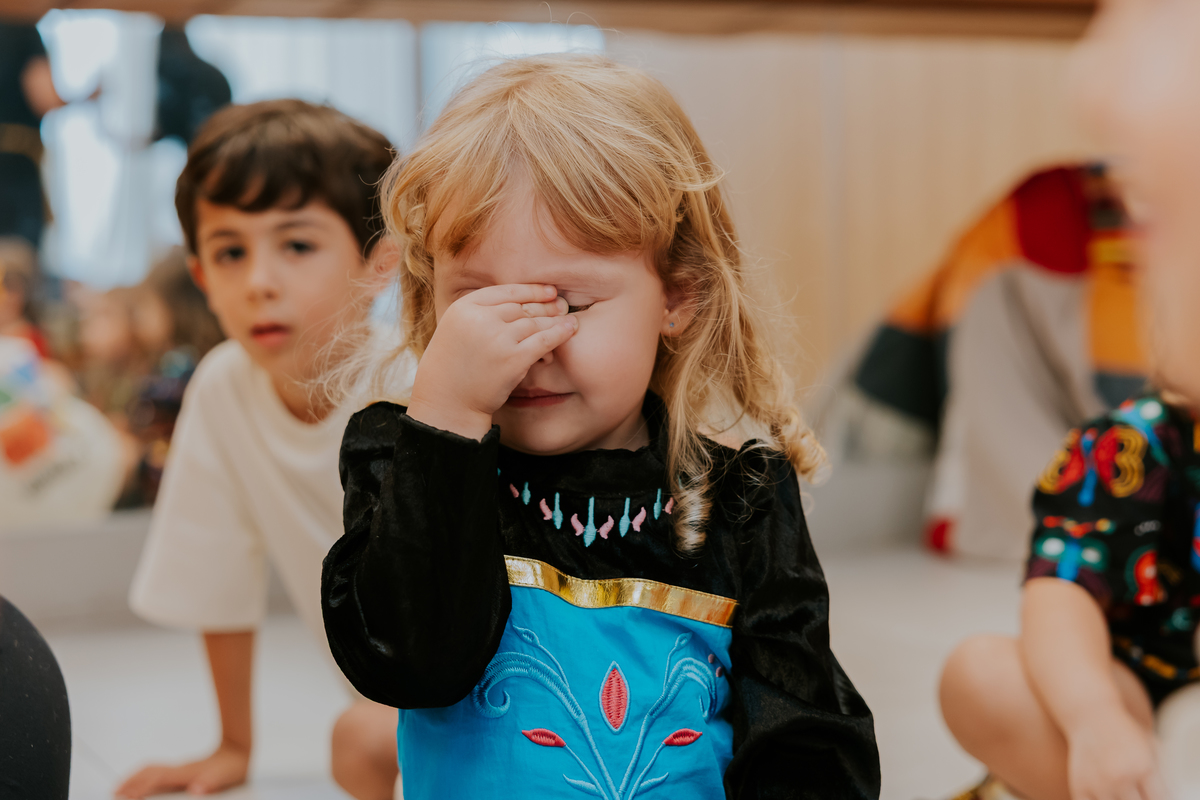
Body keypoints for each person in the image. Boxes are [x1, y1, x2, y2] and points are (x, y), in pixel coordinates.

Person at [321, 54, 881, 800]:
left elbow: (803, 729)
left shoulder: (738, 497)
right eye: (481, 306)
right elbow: (409, 664)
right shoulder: (406, 457)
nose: (525, 346)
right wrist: (446, 425)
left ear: (676, 296)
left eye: (568, 305)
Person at [937, 2, 1200, 800]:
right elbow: (1060, 595)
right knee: (982, 672)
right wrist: (1096, 719)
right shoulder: (1127, 451)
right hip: (1134, 691)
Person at [116, 99, 401, 800]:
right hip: (388, 700)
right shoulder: (222, 387)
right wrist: (234, 746)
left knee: (360, 745)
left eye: (296, 245)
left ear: (379, 265)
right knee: (362, 740)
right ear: (203, 277)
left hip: (499, 673)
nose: (259, 281)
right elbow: (216, 570)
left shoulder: (417, 382)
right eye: (230, 252)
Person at [0, 22, 63, 247]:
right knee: (17, 263)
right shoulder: (20, 25)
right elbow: (45, 98)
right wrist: (86, 96)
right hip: (14, 165)